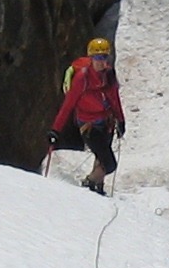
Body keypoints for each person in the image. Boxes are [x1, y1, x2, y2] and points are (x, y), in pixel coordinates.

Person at [49, 37, 125, 194]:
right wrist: (55, 130)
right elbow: (68, 105)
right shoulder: (82, 78)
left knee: (101, 157)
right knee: (109, 164)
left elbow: (114, 99)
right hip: (88, 124)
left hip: (106, 122)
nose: (100, 61)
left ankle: (97, 189)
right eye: (97, 57)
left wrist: (120, 119)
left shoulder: (109, 75)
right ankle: (89, 182)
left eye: (104, 57)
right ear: (91, 58)